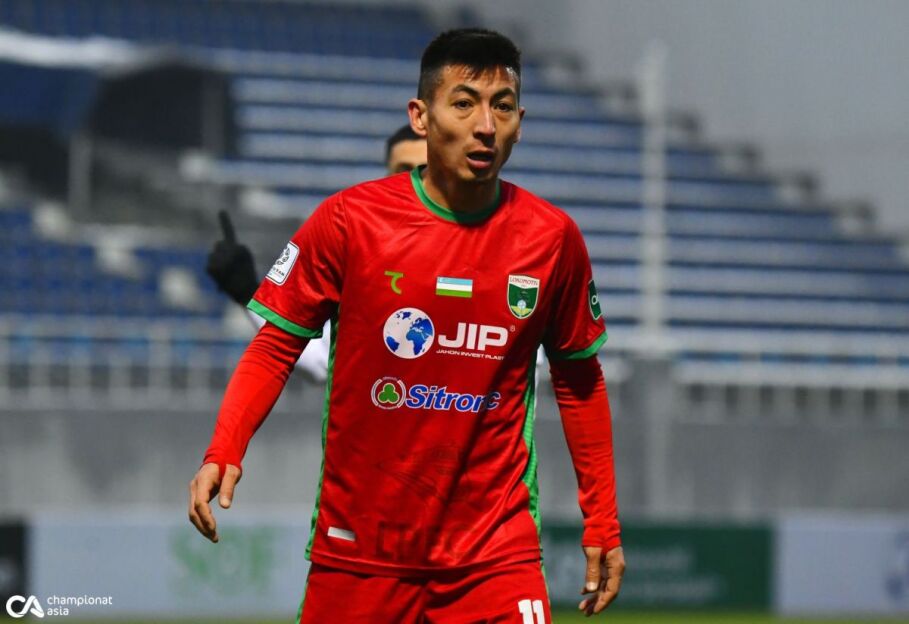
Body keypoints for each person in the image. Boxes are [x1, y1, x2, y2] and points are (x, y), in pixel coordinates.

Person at [189, 28, 624, 622]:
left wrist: (602, 520)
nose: (485, 126)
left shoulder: (552, 239)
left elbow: (579, 380)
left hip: (495, 555)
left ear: (520, 123)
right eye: (464, 103)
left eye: (502, 107)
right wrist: (225, 447)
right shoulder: (348, 222)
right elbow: (275, 347)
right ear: (421, 117)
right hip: (360, 553)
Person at [205, 125, 428, 381]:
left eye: (425, 170)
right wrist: (247, 292)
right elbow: (321, 361)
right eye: (403, 171)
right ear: (385, 176)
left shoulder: (469, 250)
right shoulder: (364, 261)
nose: (413, 182)